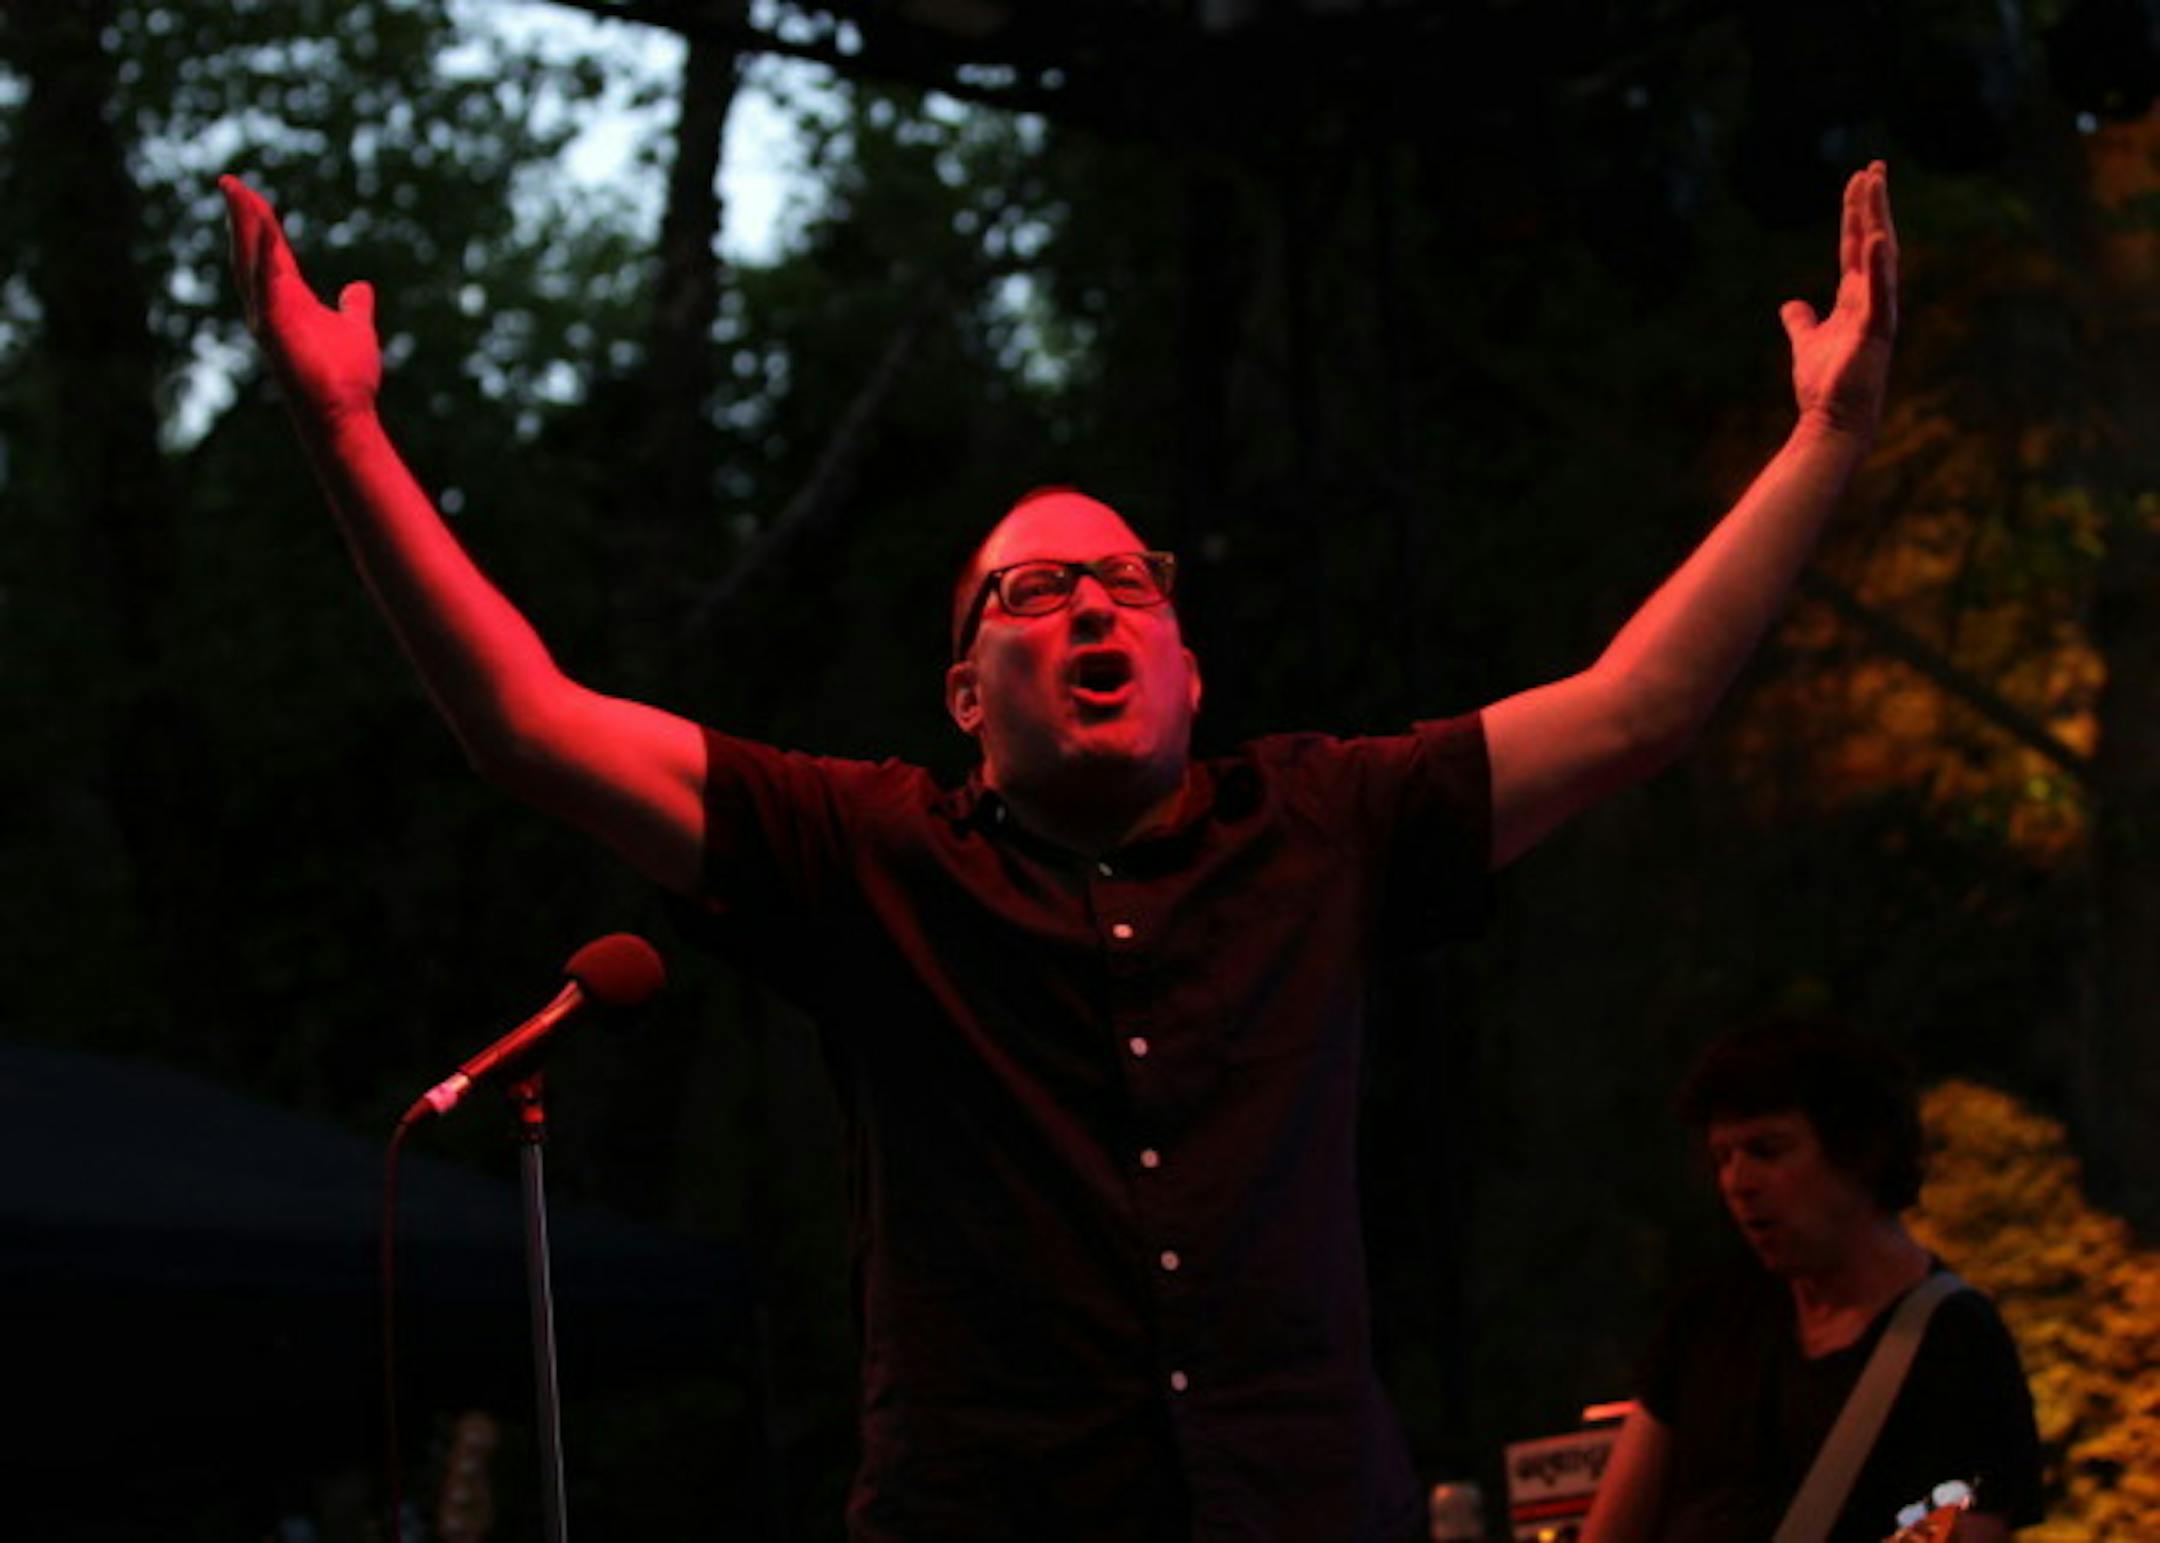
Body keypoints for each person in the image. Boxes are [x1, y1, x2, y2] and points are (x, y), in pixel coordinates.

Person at [220, 161, 1899, 1540]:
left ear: (1189, 668)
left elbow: (1637, 706)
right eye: (1034, 587)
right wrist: (343, 426)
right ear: (967, 689)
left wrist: (1822, 441)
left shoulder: (1319, 822)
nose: (1092, 596)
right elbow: (525, 716)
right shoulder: (866, 853)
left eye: (1131, 581)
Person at [1582, 1022, 2043, 1542]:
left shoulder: (1955, 1343)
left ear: (1860, 1153)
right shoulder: (1708, 1318)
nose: (1737, 1182)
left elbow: (1964, 1530)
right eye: (1722, 1158)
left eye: (1767, 1150)